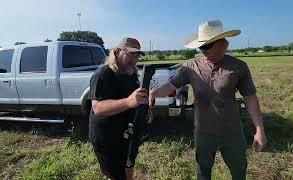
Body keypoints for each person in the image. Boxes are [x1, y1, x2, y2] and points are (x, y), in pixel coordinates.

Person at [149, 19, 267, 180]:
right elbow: (171, 85)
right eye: (200, 46)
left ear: (221, 43)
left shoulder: (238, 66)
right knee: (203, 171)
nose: (202, 50)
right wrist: (153, 93)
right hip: (203, 131)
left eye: (207, 46)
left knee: (239, 171)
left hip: (232, 131)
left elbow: (250, 97)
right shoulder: (190, 66)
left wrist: (259, 130)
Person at [89, 37, 151, 180]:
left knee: (128, 169)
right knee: (116, 175)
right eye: (131, 54)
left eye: (137, 55)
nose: (135, 59)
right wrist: (128, 102)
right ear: (117, 51)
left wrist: (146, 110)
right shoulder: (103, 74)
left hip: (126, 135)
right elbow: (98, 108)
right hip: (107, 137)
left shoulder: (132, 74)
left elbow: (138, 100)